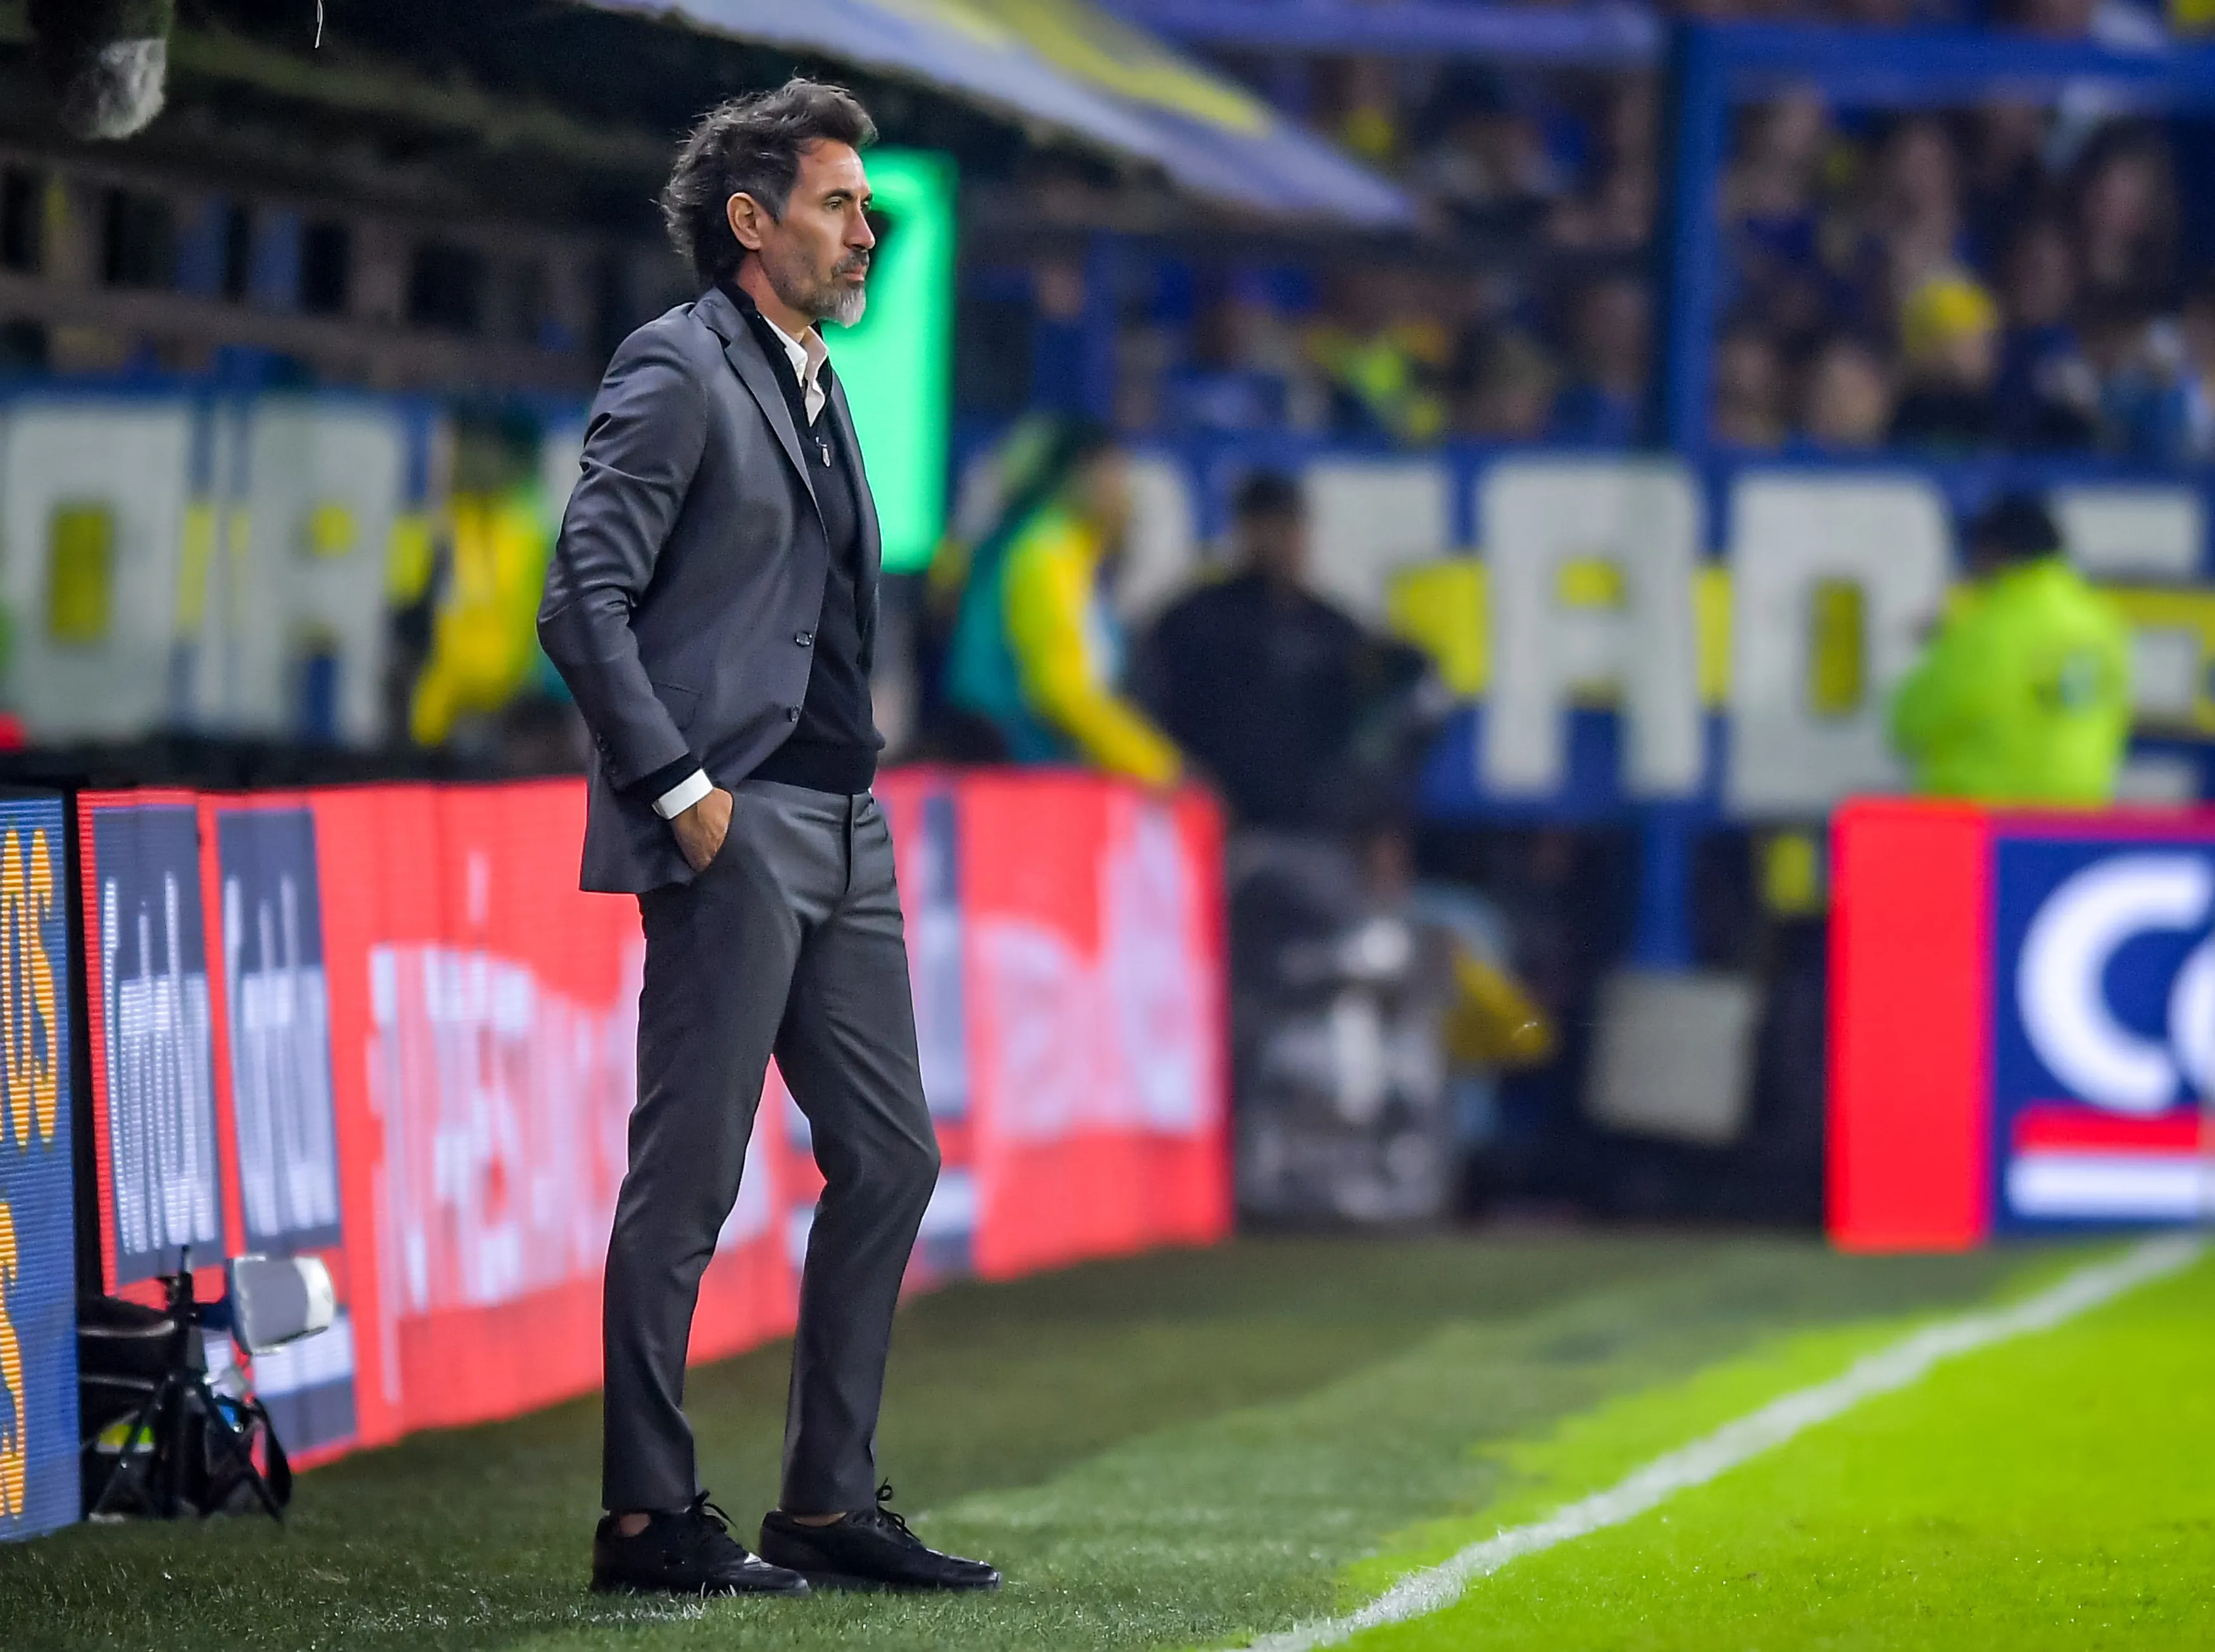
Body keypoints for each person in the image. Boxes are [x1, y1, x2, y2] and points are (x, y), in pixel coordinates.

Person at [535, 80, 999, 1599]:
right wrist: (682, 789)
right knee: (688, 1181)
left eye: (866, 209)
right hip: (737, 821)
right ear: (753, 222)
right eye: (840, 205)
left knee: (893, 1157)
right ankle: (644, 1514)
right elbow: (580, 596)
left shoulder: (813, 376)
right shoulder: (677, 367)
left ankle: (825, 1499)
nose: (866, 231)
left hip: (847, 827)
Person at [1137, 470, 1426, 831]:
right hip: (1211, 824)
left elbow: (1378, 730)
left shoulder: (1333, 629)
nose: (1283, 541)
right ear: (1245, 530)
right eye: (1270, 527)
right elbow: (1150, 709)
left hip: (1313, 831)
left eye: (1291, 527)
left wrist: (1378, 824)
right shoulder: (1196, 621)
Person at [942, 420, 1182, 785]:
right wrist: (1156, 766)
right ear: (1076, 477)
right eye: (1111, 473)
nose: (1122, 492)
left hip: (1024, 769)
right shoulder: (1047, 552)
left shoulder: (1064, 552)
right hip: (1023, 775)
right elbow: (1059, 688)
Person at [1890, 494, 2130, 808]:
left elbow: (1910, 719)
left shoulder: (1986, 627)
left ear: (1993, 552)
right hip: (2078, 821)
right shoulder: (2101, 621)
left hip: (1986, 825)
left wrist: (1938, 647)